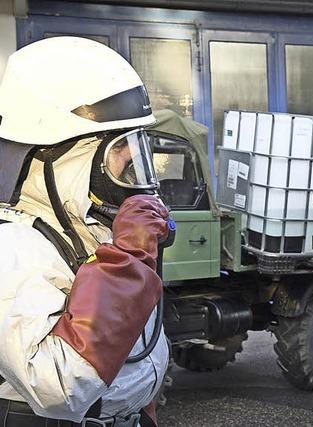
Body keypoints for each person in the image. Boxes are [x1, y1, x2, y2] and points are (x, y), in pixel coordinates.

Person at [0, 37, 170, 426]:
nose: (136, 180)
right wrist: (129, 258)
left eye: (139, 157)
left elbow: (134, 348)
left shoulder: (86, 231)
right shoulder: (13, 246)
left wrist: (139, 404)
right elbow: (58, 386)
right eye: (121, 157)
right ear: (68, 163)